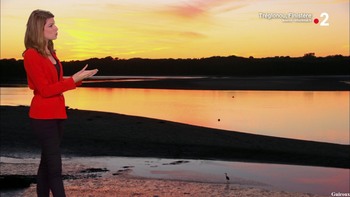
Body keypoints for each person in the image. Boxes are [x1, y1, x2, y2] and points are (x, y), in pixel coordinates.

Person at [23, 9, 98, 197]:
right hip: (42, 117)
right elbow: (45, 90)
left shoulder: (51, 52)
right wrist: (73, 79)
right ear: (39, 29)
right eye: (51, 25)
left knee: (46, 164)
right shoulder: (31, 55)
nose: (56, 28)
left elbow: (56, 84)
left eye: (54, 24)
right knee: (55, 169)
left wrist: (79, 78)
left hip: (58, 114)